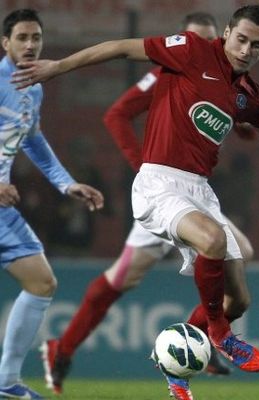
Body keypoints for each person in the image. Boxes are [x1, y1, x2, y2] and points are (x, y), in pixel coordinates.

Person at [11, 6, 259, 400]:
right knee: (210, 242)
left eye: (256, 44)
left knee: (239, 298)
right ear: (226, 33)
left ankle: (178, 368)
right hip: (158, 183)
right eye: (240, 39)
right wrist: (58, 68)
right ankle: (219, 333)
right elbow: (121, 48)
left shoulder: (248, 94)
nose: (246, 49)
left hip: (199, 190)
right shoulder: (191, 50)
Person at [38, 12, 240, 396]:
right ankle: (63, 348)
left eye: (212, 42)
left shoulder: (222, 76)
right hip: (162, 192)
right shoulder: (169, 68)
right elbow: (117, 114)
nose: (208, 50)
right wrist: (142, 163)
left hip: (194, 195)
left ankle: (199, 339)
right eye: (196, 39)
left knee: (237, 264)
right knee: (122, 279)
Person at [0, 9, 104, 400]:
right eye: (22, 37)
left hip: (2, 211)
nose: (30, 45)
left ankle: (7, 384)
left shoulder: (34, 87)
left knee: (42, 282)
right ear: (5, 43)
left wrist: (66, 183)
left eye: (36, 38)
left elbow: (33, 140)